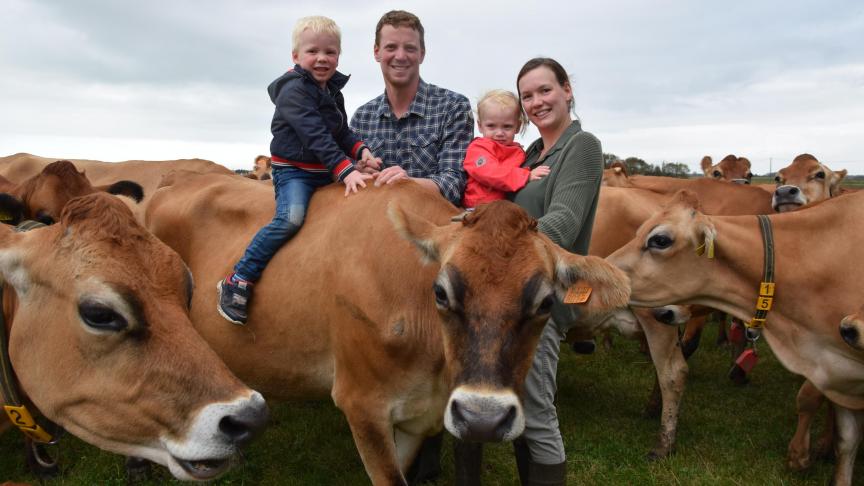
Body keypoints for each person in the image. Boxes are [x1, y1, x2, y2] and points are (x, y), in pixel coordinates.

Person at [217, 16, 375, 325]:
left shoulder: (332, 92)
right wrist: (346, 170)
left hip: (323, 168)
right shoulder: (293, 91)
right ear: (295, 56)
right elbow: (315, 134)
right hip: (296, 172)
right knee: (291, 218)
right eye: (312, 51)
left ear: (338, 56)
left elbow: (341, 132)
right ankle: (240, 277)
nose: (321, 58)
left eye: (329, 52)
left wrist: (362, 152)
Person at [510, 57, 604, 485]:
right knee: (514, 394)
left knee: (536, 409)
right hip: (515, 288)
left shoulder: (581, 146)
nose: (536, 102)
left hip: (547, 294)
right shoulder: (531, 153)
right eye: (527, 96)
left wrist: (492, 241)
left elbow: (564, 221)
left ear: (567, 90)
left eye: (545, 90)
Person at [350, 10, 473, 206]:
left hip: (434, 228)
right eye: (391, 47)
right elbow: (349, 184)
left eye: (409, 48)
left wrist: (407, 183)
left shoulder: (453, 107)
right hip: (374, 227)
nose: (400, 56)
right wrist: (360, 174)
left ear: (421, 54)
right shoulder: (362, 117)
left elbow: (454, 184)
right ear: (377, 52)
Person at [462, 89, 549, 208]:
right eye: (491, 126)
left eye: (507, 127)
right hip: (480, 207)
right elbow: (490, 172)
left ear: (517, 127)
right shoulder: (479, 148)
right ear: (480, 126)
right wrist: (525, 176)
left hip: (505, 208)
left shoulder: (517, 151)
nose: (499, 133)